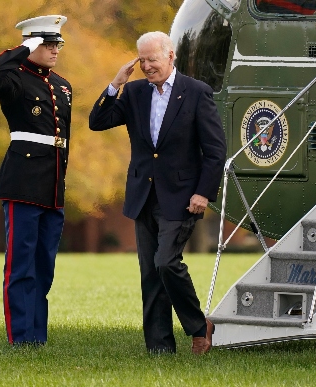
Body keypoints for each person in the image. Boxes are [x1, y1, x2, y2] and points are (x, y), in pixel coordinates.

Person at [89, 31, 226, 355]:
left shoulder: (196, 93)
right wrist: (115, 84)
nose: (148, 66)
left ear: (170, 56)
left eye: (153, 59)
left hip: (181, 197)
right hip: (142, 195)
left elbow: (216, 151)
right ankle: (160, 347)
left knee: (166, 262)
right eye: (143, 60)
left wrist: (203, 193)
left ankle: (197, 325)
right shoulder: (135, 92)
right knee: (150, 273)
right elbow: (98, 121)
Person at [0, 15, 71, 347]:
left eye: (56, 43)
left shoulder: (62, 86)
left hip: (52, 187)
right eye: (47, 43)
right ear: (30, 44)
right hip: (23, 183)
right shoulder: (14, 80)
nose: (54, 49)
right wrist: (21, 50)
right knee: (21, 266)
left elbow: (63, 142)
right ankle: (21, 338)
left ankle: (37, 337)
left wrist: (61, 185)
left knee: (44, 267)